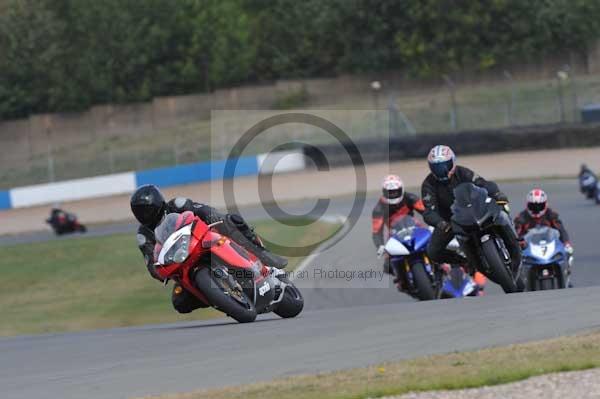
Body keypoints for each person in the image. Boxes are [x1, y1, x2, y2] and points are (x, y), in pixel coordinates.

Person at [131, 184, 287, 314]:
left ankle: (262, 253)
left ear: (158, 203)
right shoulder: (144, 235)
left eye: (147, 210)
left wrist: (217, 221)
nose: (144, 215)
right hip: (182, 262)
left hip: (204, 241)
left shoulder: (177, 205)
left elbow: (206, 211)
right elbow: (151, 263)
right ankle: (223, 298)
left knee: (232, 220)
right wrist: (161, 271)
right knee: (180, 302)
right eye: (139, 212)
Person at [421, 145, 520, 274]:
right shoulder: (429, 184)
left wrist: (496, 194)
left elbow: (483, 183)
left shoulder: (463, 172)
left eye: (445, 165)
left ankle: (516, 241)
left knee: (502, 214)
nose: (442, 171)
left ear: (453, 162)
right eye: (437, 168)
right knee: (433, 252)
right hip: (450, 221)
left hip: (475, 210)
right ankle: (464, 261)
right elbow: (429, 211)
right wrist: (441, 223)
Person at [372, 175, 425, 283]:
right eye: (389, 192)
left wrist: (434, 224)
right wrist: (380, 246)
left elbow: (426, 211)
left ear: (401, 190)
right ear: (384, 192)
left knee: (436, 244)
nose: (393, 195)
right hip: (394, 233)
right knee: (388, 265)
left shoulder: (410, 197)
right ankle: (402, 280)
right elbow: (377, 231)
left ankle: (444, 266)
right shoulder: (379, 208)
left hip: (415, 227)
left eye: (395, 192)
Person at [514, 188, 574, 255]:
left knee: (567, 253)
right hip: (529, 249)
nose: (536, 209)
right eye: (533, 206)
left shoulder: (551, 214)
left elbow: (561, 230)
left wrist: (566, 244)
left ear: (545, 204)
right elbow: (515, 234)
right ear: (528, 205)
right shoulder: (521, 217)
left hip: (550, 247)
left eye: (539, 206)